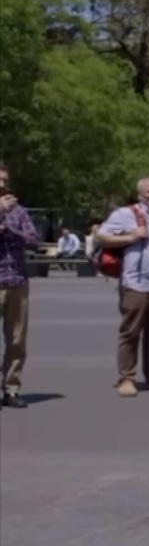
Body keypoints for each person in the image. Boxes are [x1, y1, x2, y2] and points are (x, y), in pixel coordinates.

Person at [97, 177, 149, 397]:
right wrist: (133, 236)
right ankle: (126, 378)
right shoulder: (125, 214)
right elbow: (102, 237)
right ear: (140, 194)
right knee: (131, 332)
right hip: (136, 283)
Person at [0, 161, 37, 408]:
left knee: (16, 339)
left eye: (5, 180)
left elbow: (33, 240)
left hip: (16, 281)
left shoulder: (19, 211)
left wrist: (11, 229)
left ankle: (11, 388)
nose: (3, 185)